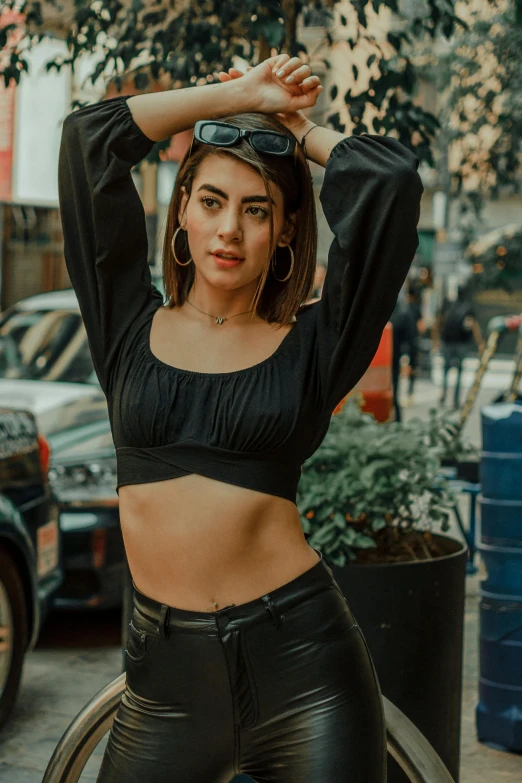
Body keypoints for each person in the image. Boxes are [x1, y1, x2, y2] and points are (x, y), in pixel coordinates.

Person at [58, 53, 423, 782]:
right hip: (162, 688)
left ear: (285, 231)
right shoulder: (125, 325)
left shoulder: (316, 346)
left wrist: (298, 126)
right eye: (213, 201)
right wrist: (230, 96)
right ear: (183, 209)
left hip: (305, 673)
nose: (229, 229)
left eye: (257, 210)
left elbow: (388, 183)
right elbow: (88, 142)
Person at [436, 285, 484, 410]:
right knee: (459, 372)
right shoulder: (467, 307)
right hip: (461, 344)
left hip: (447, 342)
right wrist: (480, 343)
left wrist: (436, 340)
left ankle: (443, 397)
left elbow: (439, 322)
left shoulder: (449, 305)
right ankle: (456, 401)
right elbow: (474, 326)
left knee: (445, 371)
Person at [390, 299, 418, 422]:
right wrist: (412, 363)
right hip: (392, 360)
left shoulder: (401, 314)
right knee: (392, 395)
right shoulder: (402, 313)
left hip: (387, 361)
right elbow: (412, 341)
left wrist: (411, 363)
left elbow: (412, 342)